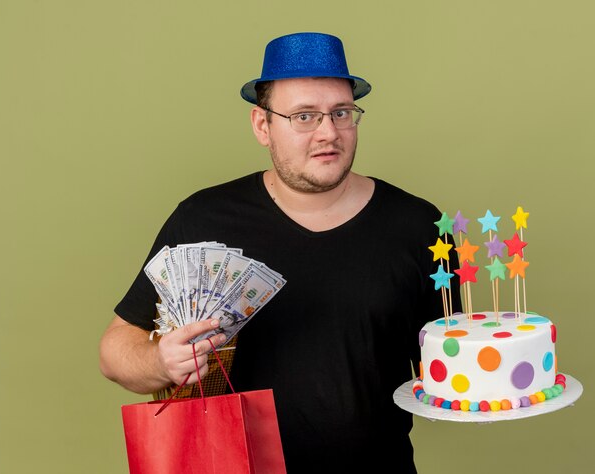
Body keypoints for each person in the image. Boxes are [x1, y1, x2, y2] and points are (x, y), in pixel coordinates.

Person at [100, 32, 461, 473]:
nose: (328, 133)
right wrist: (161, 361)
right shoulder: (203, 220)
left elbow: (447, 368)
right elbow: (115, 352)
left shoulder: (419, 226)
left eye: (341, 113)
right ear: (261, 125)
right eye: (304, 116)